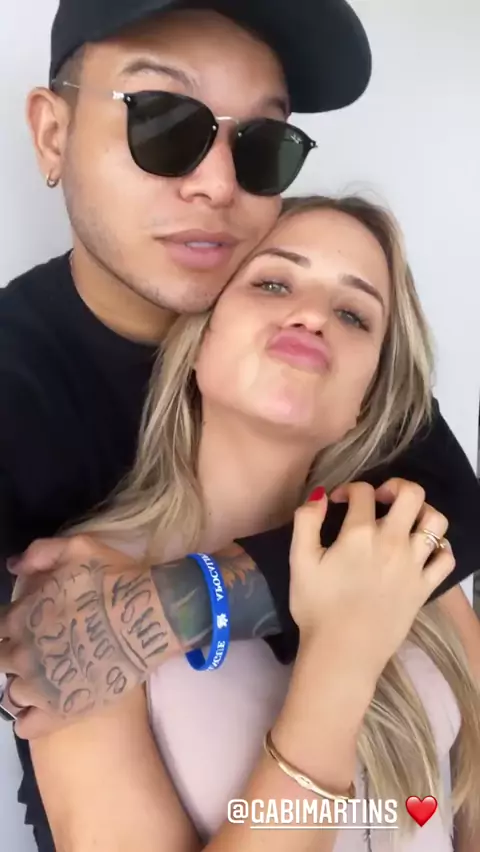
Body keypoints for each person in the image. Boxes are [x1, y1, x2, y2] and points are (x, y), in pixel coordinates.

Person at [0, 0, 479, 849]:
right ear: (51, 133)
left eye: (262, 145)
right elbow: (53, 662)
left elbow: (454, 508)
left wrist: (196, 599)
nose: (219, 185)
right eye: (161, 120)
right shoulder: (18, 387)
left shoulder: (279, 306)